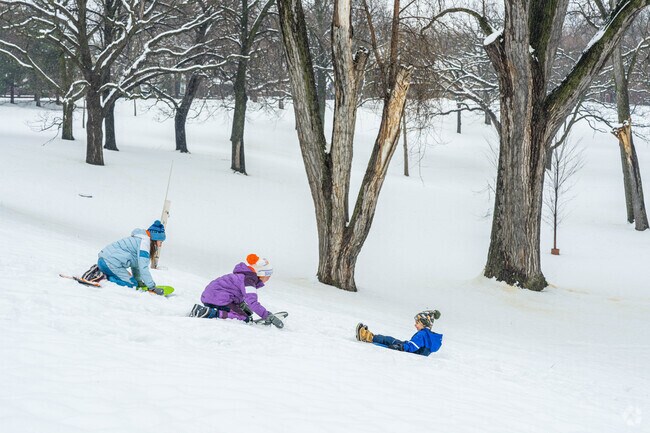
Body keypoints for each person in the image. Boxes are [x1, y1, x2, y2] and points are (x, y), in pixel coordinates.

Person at [188, 254, 284, 328]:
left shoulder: (245, 276)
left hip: (213, 297)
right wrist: (266, 315)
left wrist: (241, 304)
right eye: (268, 276)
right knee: (244, 318)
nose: (268, 279)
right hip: (218, 299)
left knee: (246, 313)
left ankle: (214, 311)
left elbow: (233, 290)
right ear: (262, 274)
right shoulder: (249, 281)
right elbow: (253, 302)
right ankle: (207, 313)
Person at [93, 220, 166, 295]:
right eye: (160, 242)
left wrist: (139, 281)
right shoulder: (144, 243)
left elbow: (136, 266)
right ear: (155, 238)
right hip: (109, 263)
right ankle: (104, 278)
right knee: (132, 284)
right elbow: (143, 268)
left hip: (105, 261)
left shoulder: (139, 239)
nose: (160, 245)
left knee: (134, 282)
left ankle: (104, 272)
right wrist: (152, 287)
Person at [356, 310, 442, 356]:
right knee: (390, 340)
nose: (415, 325)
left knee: (388, 340)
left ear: (424, 323)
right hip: (408, 349)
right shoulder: (429, 337)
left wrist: (401, 347)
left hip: (406, 350)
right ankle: (367, 336)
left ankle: (365, 336)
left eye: (417, 323)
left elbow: (412, 346)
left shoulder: (422, 334)